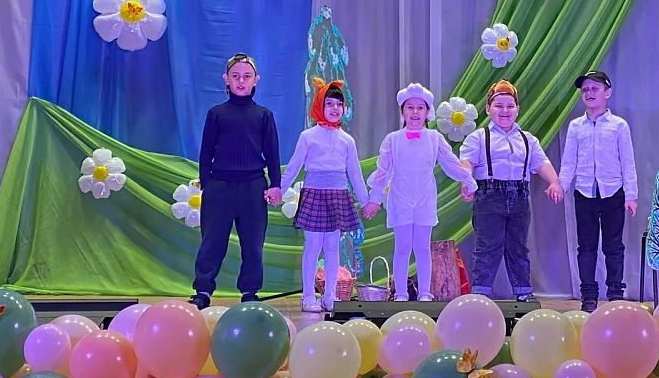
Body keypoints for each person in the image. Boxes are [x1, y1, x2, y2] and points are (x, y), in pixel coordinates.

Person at [364, 83, 478, 301]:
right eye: (410, 107)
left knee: (423, 247)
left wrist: (468, 181)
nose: (415, 112)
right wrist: (374, 198)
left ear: (427, 112)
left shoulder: (434, 138)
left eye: (420, 108)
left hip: (425, 197)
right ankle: (401, 293)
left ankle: (425, 292)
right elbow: (383, 170)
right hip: (400, 197)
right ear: (402, 111)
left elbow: (451, 162)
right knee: (402, 247)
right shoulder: (393, 139)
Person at [459, 80, 563, 302]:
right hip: (489, 196)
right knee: (487, 247)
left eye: (510, 106)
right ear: (488, 109)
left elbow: (542, 163)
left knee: (518, 247)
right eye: (499, 106)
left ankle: (523, 292)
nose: (504, 111)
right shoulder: (479, 137)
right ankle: (480, 293)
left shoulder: (528, 139)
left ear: (517, 109)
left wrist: (554, 182)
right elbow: (467, 162)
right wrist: (466, 181)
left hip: (520, 196)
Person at [192, 53, 282, 309]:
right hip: (219, 187)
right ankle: (203, 291)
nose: (241, 81)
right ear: (226, 79)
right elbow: (206, 152)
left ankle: (250, 292)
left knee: (253, 244)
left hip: (253, 188)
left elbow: (272, 153)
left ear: (256, 80)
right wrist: (207, 184)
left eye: (246, 76)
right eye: (236, 76)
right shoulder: (216, 114)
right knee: (212, 242)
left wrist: (275, 184)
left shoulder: (264, 115)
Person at [281, 80, 376, 312]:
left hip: (338, 196)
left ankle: (330, 296)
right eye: (329, 103)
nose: (335, 108)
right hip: (314, 195)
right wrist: (278, 190)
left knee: (333, 246)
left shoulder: (347, 140)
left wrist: (366, 202)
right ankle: (308, 296)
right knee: (313, 246)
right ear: (319, 106)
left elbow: (355, 173)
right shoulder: (308, 136)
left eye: (339, 104)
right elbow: (293, 167)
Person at [559, 70, 638, 312]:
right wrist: (561, 185)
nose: (589, 93)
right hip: (585, 193)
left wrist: (631, 195)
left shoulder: (619, 126)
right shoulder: (576, 127)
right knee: (586, 247)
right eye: (585, 90)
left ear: (607, 92)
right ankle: (589, 296)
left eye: (595, 88)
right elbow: (569, 161)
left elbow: (627, 162)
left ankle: (615, 294)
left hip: (613, 192)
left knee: (613, 246)